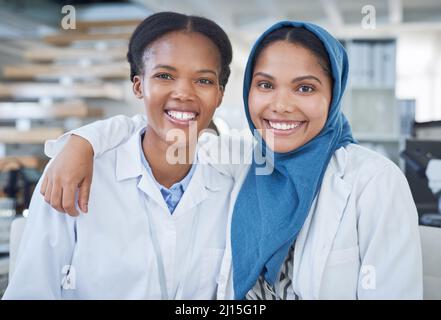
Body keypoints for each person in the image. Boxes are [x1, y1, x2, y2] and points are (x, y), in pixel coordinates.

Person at [22, 21, 423, 300]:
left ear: (334, 95)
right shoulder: (245, 164)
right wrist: (81, 141)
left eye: (305, 87)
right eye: (265, 85)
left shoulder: (372, 181)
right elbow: (157, 123)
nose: (280, 105)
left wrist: (80, 140)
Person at [3, 12, 235, 299]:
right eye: (165, 76)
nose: (183, 93)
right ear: (139, 85)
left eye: (203, 80)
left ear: (220, 95)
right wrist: (82, 142)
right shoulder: (72, 176)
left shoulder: (232, 188)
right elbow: (32, 291)